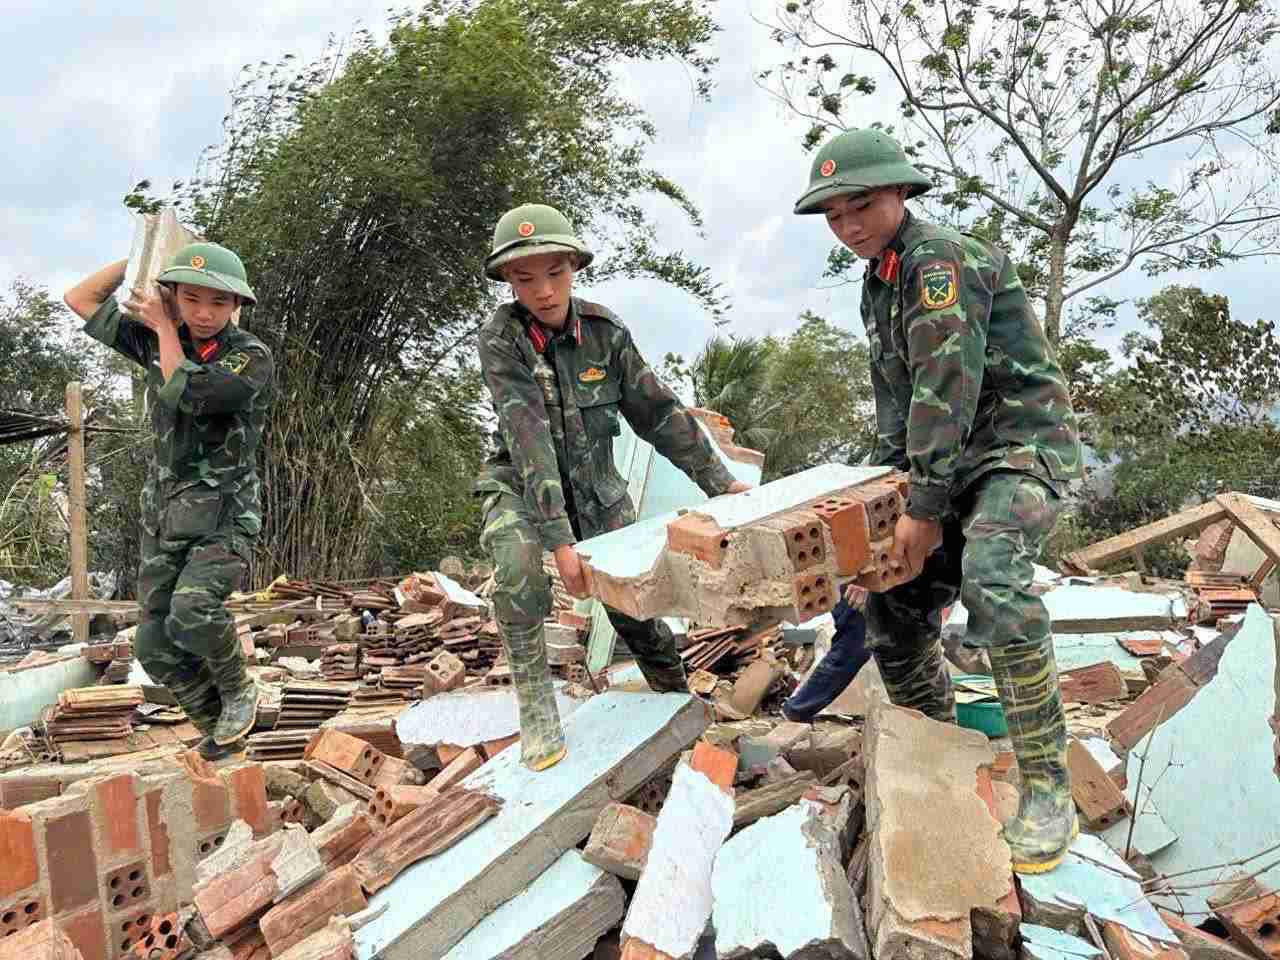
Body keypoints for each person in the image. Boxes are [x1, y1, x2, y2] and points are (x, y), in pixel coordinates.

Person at [793, 129, 1086, 874]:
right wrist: (883, 527)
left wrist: (921, 515)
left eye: (861, 204)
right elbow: (897, 414)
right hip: (942, 463)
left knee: (991, 569)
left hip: (1015, 448)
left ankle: (1048, 785)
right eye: (834, 215)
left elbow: (944, 390)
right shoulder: (878, 280)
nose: (849, 224)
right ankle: (938, 755)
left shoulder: (936, 261)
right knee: (886, 604)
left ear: (899, 193)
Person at [475, 203, 751, 771]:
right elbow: (527, 437)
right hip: (523, 487)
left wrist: (722, 483)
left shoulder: (605, 334)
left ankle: (673, 691)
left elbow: (659, 415)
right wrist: (558, 540)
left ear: (574, 266)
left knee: (634, 598)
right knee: (518, 570)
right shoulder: (502, 340)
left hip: (599, 489)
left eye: (555, 273)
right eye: (525, 279)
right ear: (507, 280)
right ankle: (536, 705)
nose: (543, 291)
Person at [64, 243, 273, 761]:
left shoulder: (250, 356)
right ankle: (220, 731)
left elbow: (187, 393)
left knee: (194, 609)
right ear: (173, 296)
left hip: (224, 516)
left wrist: (160, 327)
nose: (204, 313)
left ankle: (241, 690)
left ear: (236, 307)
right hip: (164, 518)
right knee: (152, 644)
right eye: (192, 298)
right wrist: (144, 254)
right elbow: (80, 298)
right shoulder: (163, 336)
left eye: (218, 303)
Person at [782, 584, 872, 722]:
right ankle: (798, 709)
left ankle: (910, 718)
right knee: (853, 645)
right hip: (865, 578)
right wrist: (863, 580)